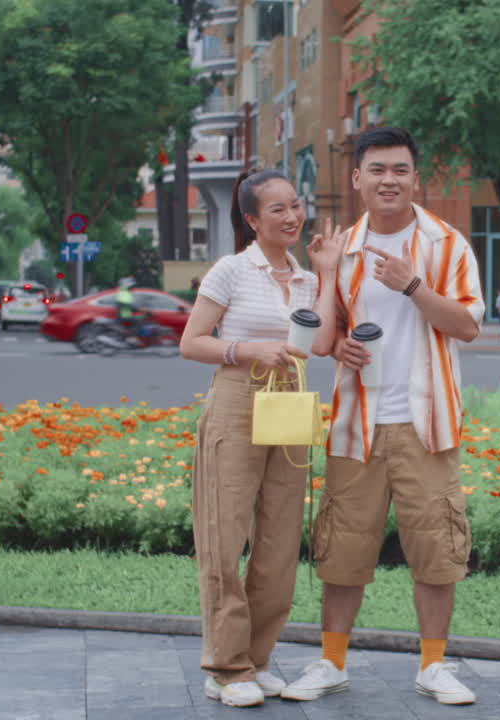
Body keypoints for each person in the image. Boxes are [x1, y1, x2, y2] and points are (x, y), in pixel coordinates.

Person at [281, 127, 485, 706]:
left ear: (415, 178)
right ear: (357, 179)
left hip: (428, 423)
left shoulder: (447, 245)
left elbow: (468, 325)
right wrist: (341, 335)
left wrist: (412, 285)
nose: (388, 180)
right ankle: (331, 661)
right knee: (343, 546)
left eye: (399, 170)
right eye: (377, 170)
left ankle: (434, 666)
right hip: (357, 422)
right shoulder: (340, 249)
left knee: (436, 548)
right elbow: (322, 338)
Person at [178, 169, 342, 708]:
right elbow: (192, 342)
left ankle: (259, 659)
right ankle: (225, 668)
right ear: (251, 220)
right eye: (277, 209)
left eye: (295, 205)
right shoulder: (231, 270)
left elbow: (317, 345)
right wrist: (247, 349)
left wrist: (329, 271)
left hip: (291, 400)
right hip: (236, 401)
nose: (292, 217)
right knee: (225, 541)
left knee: (278, 542)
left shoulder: (304, 278)